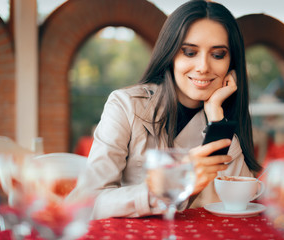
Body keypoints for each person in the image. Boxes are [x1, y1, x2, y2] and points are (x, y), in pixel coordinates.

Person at [68, 0, 262, 219]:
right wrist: (160, 190)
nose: (203, 67)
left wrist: (218, 121)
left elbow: (243, 204)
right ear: (171, 54)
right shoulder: (125, 105)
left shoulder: (221, 118)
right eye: (190, 52)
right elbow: (87, 202)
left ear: (231, 64)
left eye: (217, 55)